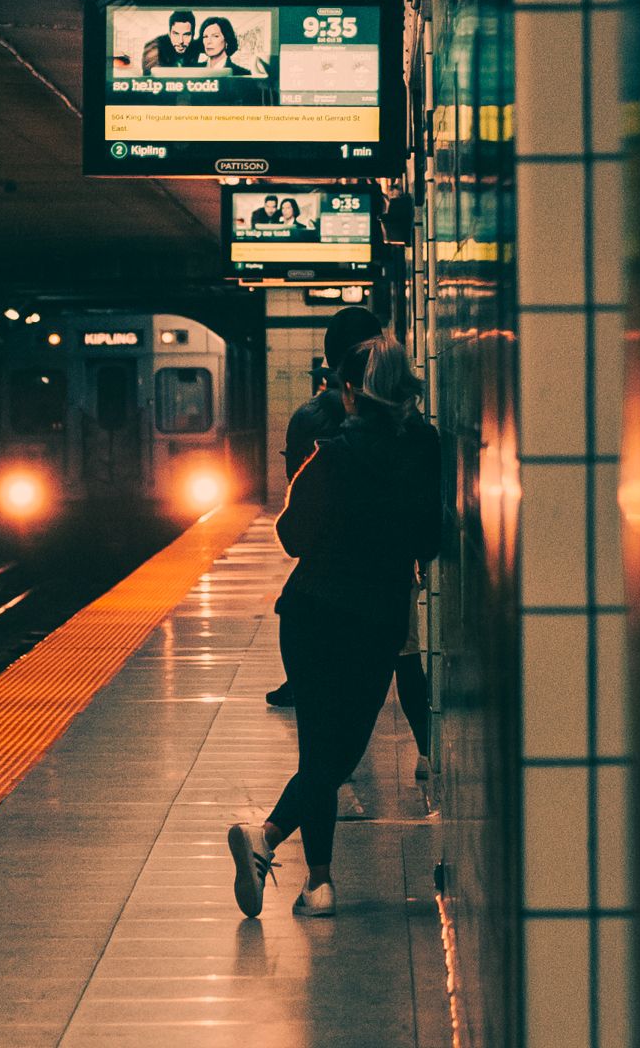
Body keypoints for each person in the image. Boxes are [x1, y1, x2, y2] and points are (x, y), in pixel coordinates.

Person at [229, 330, 443, 919]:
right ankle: (279, 852)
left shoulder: (333, 452)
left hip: (312, 614)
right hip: (378, 621)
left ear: (351, 390)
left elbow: (292, 536)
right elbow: (430, 537)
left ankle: (305, 871)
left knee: (319, 747)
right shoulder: (429, 449)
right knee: (341, 750)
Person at [265, 307, 392, 708]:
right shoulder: (402, 416)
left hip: (325, 563)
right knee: (395, 657)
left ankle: (303, 686)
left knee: (301, 617)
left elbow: (296, 501)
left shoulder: (310, 416)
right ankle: (424, 745)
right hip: (384, 566)